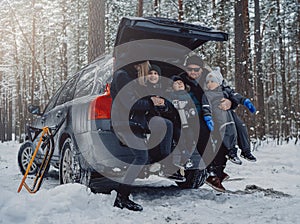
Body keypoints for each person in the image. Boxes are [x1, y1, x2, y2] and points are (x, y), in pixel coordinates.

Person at [180, 55, 234, 192]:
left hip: (211, 113)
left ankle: (219, 169)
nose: (192, 72)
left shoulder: (209, 78)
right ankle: (210, 171)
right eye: (189, 69)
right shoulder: (180, 79)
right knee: (204, 132)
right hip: (191, 115)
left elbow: (226, 92)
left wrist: (230, 102)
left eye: (196, 69)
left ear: (201, 69)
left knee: (225, 131)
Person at [110, 61, 151, 211]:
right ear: (139, 64)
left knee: (142, 157)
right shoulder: (122, 76)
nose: (149, 68)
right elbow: (131, 103)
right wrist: (152, 102)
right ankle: (122, 198)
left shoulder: (130, 78)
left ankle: (122, 197)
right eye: (147, 64)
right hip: (125, 123)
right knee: (141, 157)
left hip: (133, 123)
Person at [202, 70, 257, 165]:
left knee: (241, 126)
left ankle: (246, 151)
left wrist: (245, 101)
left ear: (219, 82)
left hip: (229, 112)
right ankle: (232, 151)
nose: (209, 84)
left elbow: (235, 96)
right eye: (208, 82)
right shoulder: (207, 94)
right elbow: (206, 106)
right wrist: (208, 117)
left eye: (212, 81)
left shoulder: (226, 90)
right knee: (229, 127)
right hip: (218, 115)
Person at [144, 64, 186, 181]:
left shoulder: (162, 90)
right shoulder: (142, 87)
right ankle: (166, 164)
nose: (153, 76)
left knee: (175, 126)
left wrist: (164, 105)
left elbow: (169, 105)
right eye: (150, 73)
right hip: (146, 117)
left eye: (155, 74)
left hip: (161, 117)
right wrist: (151, 102)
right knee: (166, 124)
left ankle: (182, 161)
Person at [168, 75, 198, 168]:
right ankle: (185, 155)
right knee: (179, 136)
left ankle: (186, 157)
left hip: (188, 121)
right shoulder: (171, 96)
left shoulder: (189, 95)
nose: (179, 84)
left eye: (181, 82)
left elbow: (194, 106)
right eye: (176, 83)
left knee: (190, 137)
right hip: (176, 122)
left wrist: (192, 112)